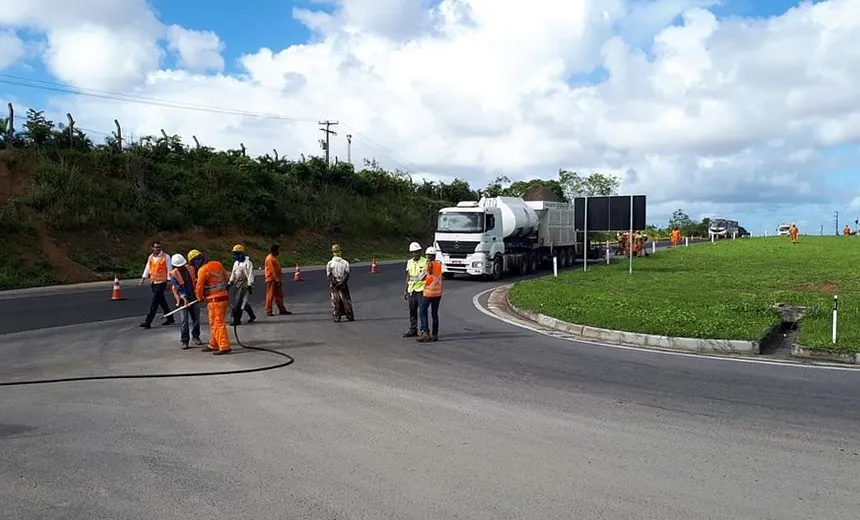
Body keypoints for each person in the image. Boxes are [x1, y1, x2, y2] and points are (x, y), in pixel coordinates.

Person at [189, 249, 231, 355]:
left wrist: (199, 297)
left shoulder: (202, 270)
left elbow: (199, 286)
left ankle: (224, 345)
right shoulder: (218, 264)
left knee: (218, 322)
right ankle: (214, 344)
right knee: (213, 322)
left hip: (215, 300)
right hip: (223, 297)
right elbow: (226, 278)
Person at [168, 253, 203, 349]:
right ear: (175, 266)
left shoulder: (191, 269)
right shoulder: (174, 275)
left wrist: (199, 294)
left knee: (196, 318)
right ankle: (185, 340)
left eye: (182, 265)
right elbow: (179, 289)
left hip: (193, 296)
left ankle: (196, 336)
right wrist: (184, 299)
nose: (182, 268)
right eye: (179, 267)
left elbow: (197, 281)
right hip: (182, 299)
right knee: (184, 321)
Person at [139, 240, 175, 328]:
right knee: (161, 301)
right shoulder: (151, 257)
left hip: (162, 282)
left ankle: (148, 321)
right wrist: (143, 278)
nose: (158, 249)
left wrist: (169, 281)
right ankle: (170, 317)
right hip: (153, 282)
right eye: (156, 247)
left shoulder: (166, 257)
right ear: (152, 248)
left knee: (154, 302)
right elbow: (147, 267)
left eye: (159, 247)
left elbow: (169, 268)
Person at [416, 246, 442, 343]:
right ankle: (435, 334)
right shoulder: (439, 265)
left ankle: (426, 332)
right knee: (434, 313)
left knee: (422, 311)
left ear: (428, 256)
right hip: (438, 293)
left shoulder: (427, 265)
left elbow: (421, 277)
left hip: (429, 293)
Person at [228, 244, 256, 326]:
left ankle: (237, 320)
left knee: (239, 303)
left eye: (236, 253)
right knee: (241, 301)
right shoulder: (236, 263)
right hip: (237, 284)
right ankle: (252, 315)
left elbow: (250, 274)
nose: (234, 255)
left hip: (245, 284)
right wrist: (230, 283)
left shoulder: (248, 263)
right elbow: (233, 273)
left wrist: (250, 284)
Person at [403, 241, 427, 338]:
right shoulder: (409, 262)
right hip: (412, 290)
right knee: (412, 310)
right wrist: (405, 290)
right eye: (414, 252)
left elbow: (427, 276)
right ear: (411, 253)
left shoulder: (425, 261)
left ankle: (423, 330)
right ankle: (413, 329)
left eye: (418, 252)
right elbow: (408, 276)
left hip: (421, 289)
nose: (416, 254)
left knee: (422, 311)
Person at [326, 243, 355, 322]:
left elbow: (329, 275)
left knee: (335, 300)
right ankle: (349, 316)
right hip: (343, 283)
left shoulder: (330, 263)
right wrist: (342, 283)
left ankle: (337, 316)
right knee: (346, 300)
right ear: (340, 252)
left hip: (334, 284)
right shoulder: (345, 263)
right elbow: (347, 274)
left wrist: (334, 283)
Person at [264, 244, 291, 316]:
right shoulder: (270, 259)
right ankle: (268, 310)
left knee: (279, 295)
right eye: (278, 250)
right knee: (270, 295)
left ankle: (282, 309)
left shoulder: (274, 258)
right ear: (275, 251)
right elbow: (273, 270)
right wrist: (277, 279)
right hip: (272, 279)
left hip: (276, 279)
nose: (279, 252)